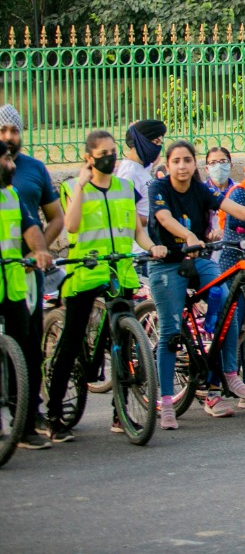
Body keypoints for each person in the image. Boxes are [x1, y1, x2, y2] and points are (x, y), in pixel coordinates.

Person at [148, 141, 245, 427]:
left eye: (187, 160)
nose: (181, 166)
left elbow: (235, 209)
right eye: (176, 160)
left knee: (228, 300)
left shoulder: (201, 189)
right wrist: (188, 236)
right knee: (170, 331)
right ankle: (165, 402)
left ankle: (229, 374)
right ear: (169, 163)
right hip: (168, 263)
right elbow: (162, 218)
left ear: (193, 164)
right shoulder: (159, 188)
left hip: (199, 260)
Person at [46, 130, 166, 443]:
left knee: (124, 342)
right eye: (103, 153)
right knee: (71, 342)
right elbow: (71, 226)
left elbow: (137, 231)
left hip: (119, 271)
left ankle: (120, 411)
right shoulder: (73, 186)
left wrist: (152, 246)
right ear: (89, 157)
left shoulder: (125, 187)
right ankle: (55, 415)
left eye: (113, 151)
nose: (110, 158)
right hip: (85, 273)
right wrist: (83, 185)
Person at [0, 103, 63, 441]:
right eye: (2, 132)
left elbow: (38, 222)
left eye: (14, 131)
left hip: (20, 277)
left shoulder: (20, 182)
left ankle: (25, 417)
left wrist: (40, 252)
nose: (9, 139)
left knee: (27, 346)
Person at [114, 118, 166, 230]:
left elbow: (155, 160)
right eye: (156, 142)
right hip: (138, 246)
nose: (158, 148)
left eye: (160, 143)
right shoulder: (129, 173)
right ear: (142, 141)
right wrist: (155, 218)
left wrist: (136, 130)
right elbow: (125, 214)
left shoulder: (141, 167)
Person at [203, 146, 235, 239]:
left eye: (223, 162)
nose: (218, 166)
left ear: (231, 165)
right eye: (213, 163)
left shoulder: (239, 189)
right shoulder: (202, 190)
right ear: (207, 169)